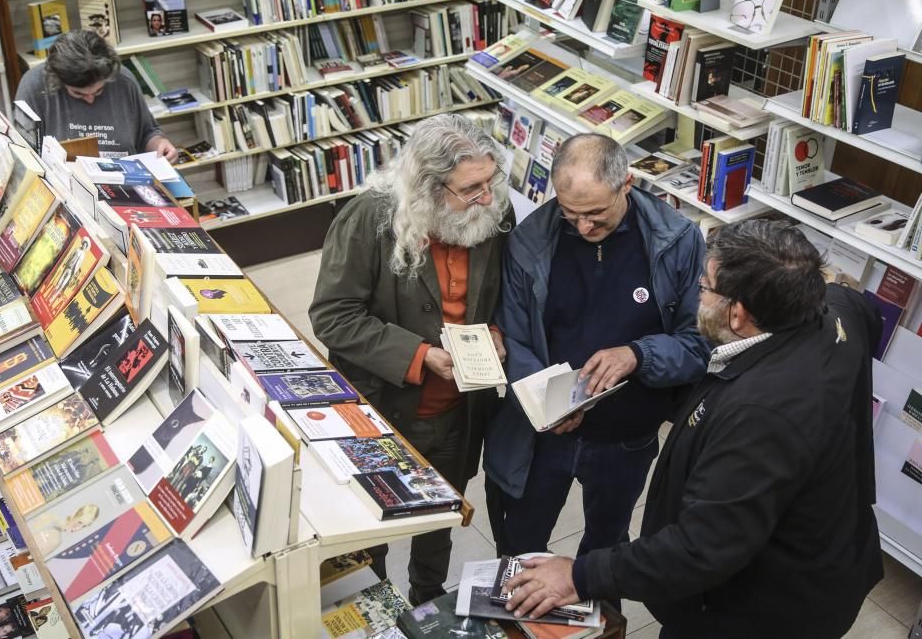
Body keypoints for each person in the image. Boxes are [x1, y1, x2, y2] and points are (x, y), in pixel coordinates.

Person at [501, 220, 884, 639]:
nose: (697, 293)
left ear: (737, 313)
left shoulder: (760, 417)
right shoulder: (836, 313)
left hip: (761, 611)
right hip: (827, 553)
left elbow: (700, 547)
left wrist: (579, 577)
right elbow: (863, 307)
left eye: (705, 287)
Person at [309, 113, 513, 605]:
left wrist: (501, 332)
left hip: (459, 413)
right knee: (371, 525)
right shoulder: (369, 219)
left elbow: (507, 295)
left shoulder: (491, 216)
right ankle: (378, 604)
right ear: (426, 187)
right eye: (471, 189)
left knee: (441, 518)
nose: (487, 197)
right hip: (382, 412)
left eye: (491, 181)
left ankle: (428, 599)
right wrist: (422, 356)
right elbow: (332, 316)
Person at [485, 134, 709, 568]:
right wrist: (548, 401)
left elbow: (699, 343)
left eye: (595, 214)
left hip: (627, 434)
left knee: (607, 550)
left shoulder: (677, 240)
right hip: (545, 433)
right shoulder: (530, 240)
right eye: (570, 214)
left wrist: (638, 354)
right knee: (521, 543)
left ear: (627, 183)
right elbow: (514, 338)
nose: (583, 227)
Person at [15, 30, 177, 161]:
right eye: (78, 93)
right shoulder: (33, 86)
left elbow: (147, 133)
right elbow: (26, 155)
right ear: (57, 80)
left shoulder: (123, 81)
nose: (90, 99)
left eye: (99, 91)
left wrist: (159, 144)